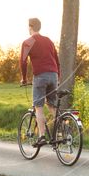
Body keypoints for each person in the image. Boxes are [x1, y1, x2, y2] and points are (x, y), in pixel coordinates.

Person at [20, 17, 60, 147]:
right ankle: (60, 133)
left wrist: (24, 78)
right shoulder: (49, 41)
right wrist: (57, 76)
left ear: (30, 27)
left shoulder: (28, 42)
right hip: (53, 75)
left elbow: (23, 61)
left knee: (39, 107)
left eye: (28, 26)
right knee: (52, 106)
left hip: (40, 76)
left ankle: (42, 136)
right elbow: (56, 60)